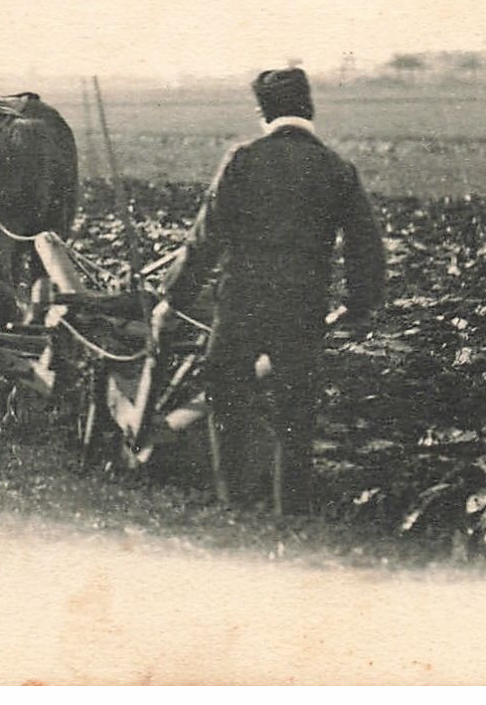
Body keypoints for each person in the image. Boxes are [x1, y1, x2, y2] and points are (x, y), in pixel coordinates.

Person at [151, 68, 386, 514]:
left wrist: (172, 301)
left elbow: (205, 239)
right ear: (309, 110)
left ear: (264, 113)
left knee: (226, 393)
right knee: (295, 412)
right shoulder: (337, 169)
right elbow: (365, 248)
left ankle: (235, 501)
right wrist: (356, 307)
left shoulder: (243, 159)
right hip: (302, 308)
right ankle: (289, 508)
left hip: (241, 304)